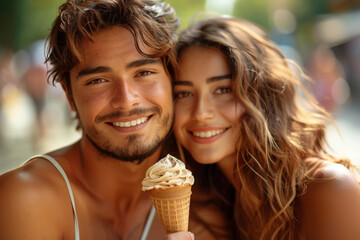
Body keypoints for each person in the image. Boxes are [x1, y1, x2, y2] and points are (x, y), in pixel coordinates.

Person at [0, 0, 195, 239]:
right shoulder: (23, 198)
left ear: (173, 80)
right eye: (98, 80)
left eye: (144, 73)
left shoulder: (210, 201)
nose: (126, 100)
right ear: (69, 96)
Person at [172, 17, 360, 240]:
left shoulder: (328, 189)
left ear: (262, 95)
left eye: (223, 89)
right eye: (183, 93)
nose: (201, 112)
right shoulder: (211, 205)